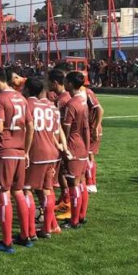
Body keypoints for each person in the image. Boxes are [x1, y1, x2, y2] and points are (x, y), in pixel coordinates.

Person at [0, 67, 34, 254]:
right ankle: (25, 235)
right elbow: (30, 125)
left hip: (4, 151)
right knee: (19, 192)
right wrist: (26, 151)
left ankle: (6, 242)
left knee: (3, 194)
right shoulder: (22, 98)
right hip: (20, 151)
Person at [22, 77, 64, 239]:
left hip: (35, 152)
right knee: (47, 189)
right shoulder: (52, 107)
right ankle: (49, 227)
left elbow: (27, 129)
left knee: (26, 189)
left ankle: (31, 230)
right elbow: (55, 132)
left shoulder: (28, 105)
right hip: (52, 152)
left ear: (27, 89)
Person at [61, 72, 91, 229]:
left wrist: (63, 147)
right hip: (82, 146)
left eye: (66, 81)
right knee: (81, 183)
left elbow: (65, 129)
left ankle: (74, 221)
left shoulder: (71, 104)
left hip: (73, 146)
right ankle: (81, 216)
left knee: (73, 183)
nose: (64, 83)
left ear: (71, 84)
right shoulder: (83, 101)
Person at [48, 69, 73, 219]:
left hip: (65, 142)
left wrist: (62, 144)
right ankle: (65, 200)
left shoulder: (62, 100)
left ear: (55, 83)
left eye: (48, 81)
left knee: (65, 173)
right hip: (65, 141)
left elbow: (61, 125)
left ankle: (69, 204)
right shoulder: (65, 97)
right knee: (62, 173)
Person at [85, 88, 104, 193]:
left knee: (88, 155)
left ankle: (91, 183)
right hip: (89, 128)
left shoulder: (87, 93)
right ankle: (91, 182)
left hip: (92, 129)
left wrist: (96, 127)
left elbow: (100, 109)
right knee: (88, 155)